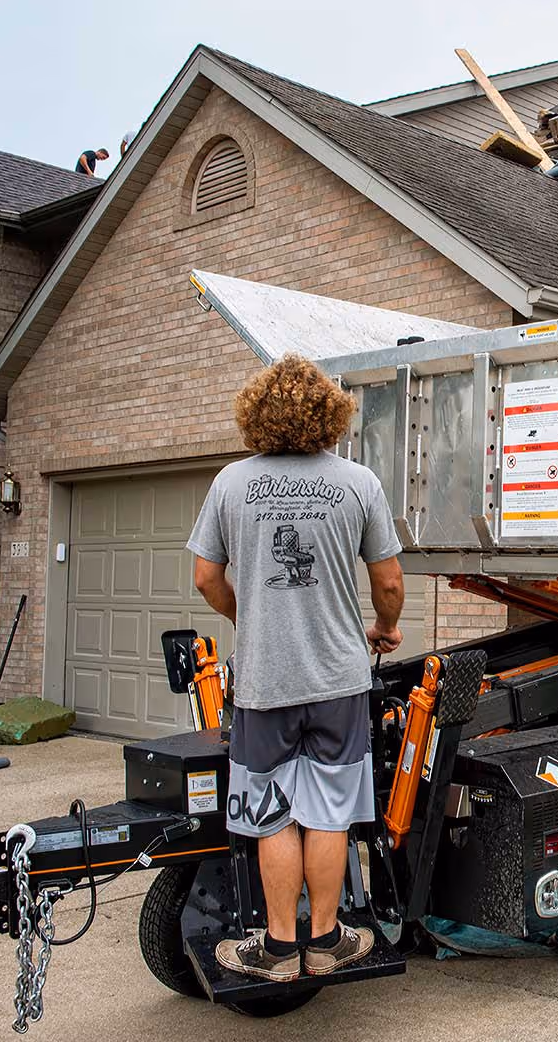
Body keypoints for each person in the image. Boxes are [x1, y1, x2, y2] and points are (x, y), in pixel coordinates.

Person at [187, 353, 405, 982]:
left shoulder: (231, 483)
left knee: (270, 811)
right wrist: (384, 629)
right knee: (329, 810)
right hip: (338, 680)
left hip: (264, 682)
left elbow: (205, 577)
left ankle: (281, 948)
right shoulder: (358, 482)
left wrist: (248, 621)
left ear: (257, 413)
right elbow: (388, 582)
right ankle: (328, 938)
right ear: (328, 415)